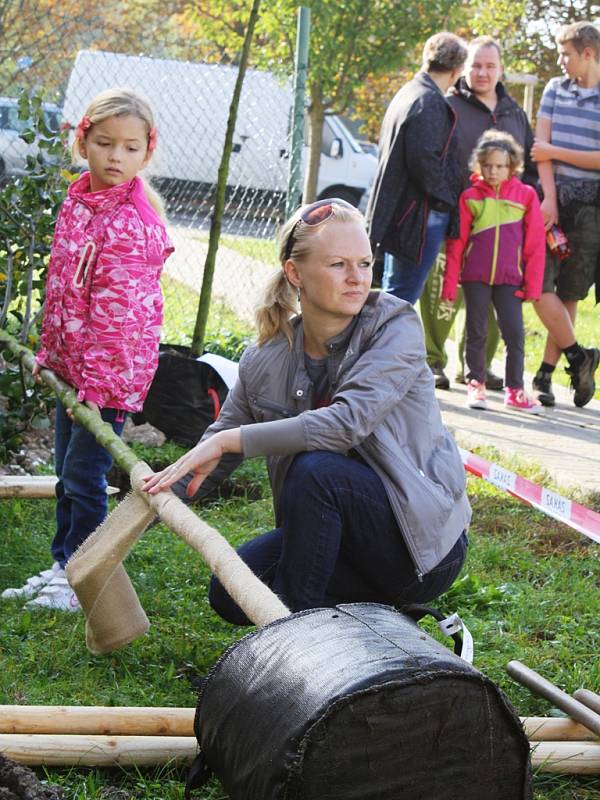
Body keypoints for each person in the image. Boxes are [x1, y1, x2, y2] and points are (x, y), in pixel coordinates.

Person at [143, 199, 471, 625]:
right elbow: (214, 454)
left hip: (418, 551)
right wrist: (140, 511)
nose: (357, 279)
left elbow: (346, 423)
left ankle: (299, 638)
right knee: (232, 591)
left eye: (365, 263)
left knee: (317, 470)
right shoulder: (265, 358)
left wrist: (234, 439)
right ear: (295, 273)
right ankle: (368, 615)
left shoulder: (394, 324)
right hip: (337, 544)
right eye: (338, 265)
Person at [1, 88, 174, 611]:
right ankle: (63, 564)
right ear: (82, 141)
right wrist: (51, 355)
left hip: (107, 379)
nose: (115, 157)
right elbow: (65, 289)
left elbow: (118, 321)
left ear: (147, 150)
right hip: (75, 370)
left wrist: (96, 390)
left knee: (85, 475)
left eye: (128, 147)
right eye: (104, 143)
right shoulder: (81, 199)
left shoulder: (130, 223)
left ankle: (87, 577)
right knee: (66, 474)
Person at [421, 36, 538, 391]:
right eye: (475, 65)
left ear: (501, 69)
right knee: (443, 293)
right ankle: (432, 361)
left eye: (489, 66)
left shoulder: (513, 112)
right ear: (463, 67)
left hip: (498, 224)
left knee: (487, 300)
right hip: (453, 214)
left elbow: (528, 163)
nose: (482, 72)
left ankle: (475, 368)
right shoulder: (448, 105)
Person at [441, 131, 545, 413]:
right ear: (479, 165)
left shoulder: (525, 196)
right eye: (487, 165)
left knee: (514, 335)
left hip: (510, 279)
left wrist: (533, 286)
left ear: (512, 166)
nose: (493, 171)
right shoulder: (470, 197)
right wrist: (449, 284)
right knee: (476, 331)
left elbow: (535, 245)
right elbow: (457, 245)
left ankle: (515, 391)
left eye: (499, 166)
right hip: (475, 277)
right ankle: (476, 385)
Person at [366, 32, 467, 305]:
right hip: (419, 217)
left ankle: (378, 347)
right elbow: (425, 160)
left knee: (393, 293)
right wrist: (447, 199)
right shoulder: (429, 101)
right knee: (400, 299)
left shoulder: (409, 93)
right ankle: (381, 349)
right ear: (457, 71)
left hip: (403, 212)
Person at [530, 21, 600, 408]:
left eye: (565, 54)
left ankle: (546, 375)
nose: (560, 61)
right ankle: (580, 356)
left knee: (570, 292)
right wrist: (549, 199)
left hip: (592, 209)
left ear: (587, 54)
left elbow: (548, 151)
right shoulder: (556, 89)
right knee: (538, 286)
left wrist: (556, 153)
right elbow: (540, 148)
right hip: (555, 203)